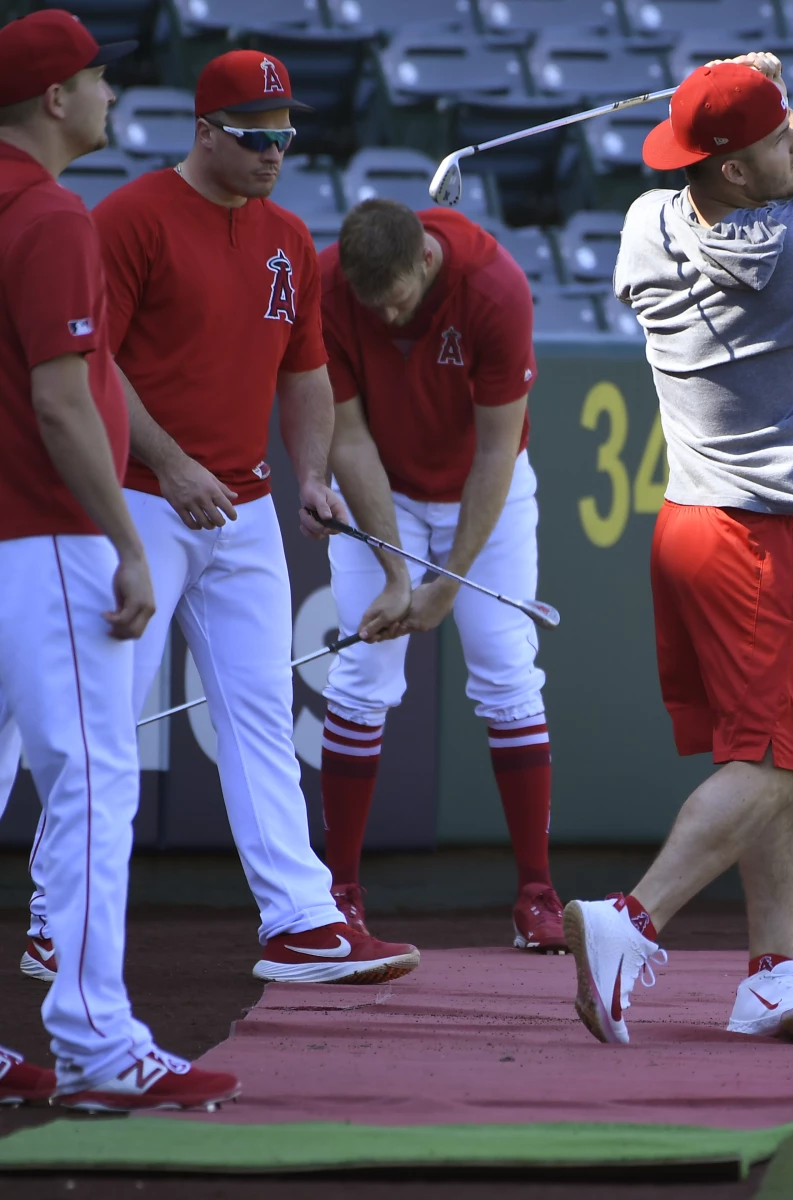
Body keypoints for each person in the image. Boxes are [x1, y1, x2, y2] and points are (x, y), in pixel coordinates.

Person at [23, 48, 420, 986]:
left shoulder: (287, 235)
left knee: (259, 714)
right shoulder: (130, 217)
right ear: (204, 131)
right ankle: (54, 917)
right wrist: (166, 458)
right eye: (255, 135)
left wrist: (314, 475)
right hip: (134, 502)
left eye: (286, 133)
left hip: (242, 508)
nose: (274, 151)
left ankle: (299, 920)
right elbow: (89, 364)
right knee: (104, 725)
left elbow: (307, 371)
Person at [564, 55, 793, 1044]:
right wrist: (782, 96)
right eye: (775, 140)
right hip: (755, 539)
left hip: (691, 526)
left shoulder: (647, 223)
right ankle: (629, 921)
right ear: (738, 172)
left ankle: (773, 975)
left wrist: (739, 108)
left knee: (783, 753)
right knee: (781, 765)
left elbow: (708, 172)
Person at [0, 8, 238, 1111]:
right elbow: (61, 404)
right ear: (54, 100)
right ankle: (97, 1043)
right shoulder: (47, 214)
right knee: (92, 786)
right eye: (98, 79)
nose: (109, 95)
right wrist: (127, 539)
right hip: (46, 533)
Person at [317, 198, 566, 952]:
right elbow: (347, 438)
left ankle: (535, 892)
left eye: (395, 298)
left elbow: (497, 452)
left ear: (424, 261)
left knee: (506, 672)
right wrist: (397, 572)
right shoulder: (330, 286)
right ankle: (341, 893)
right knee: (361, 677)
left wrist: (446, 584)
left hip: (480, 490)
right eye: (373, 304)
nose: (387, 318)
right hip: (382, 486)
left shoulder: (495, 286)